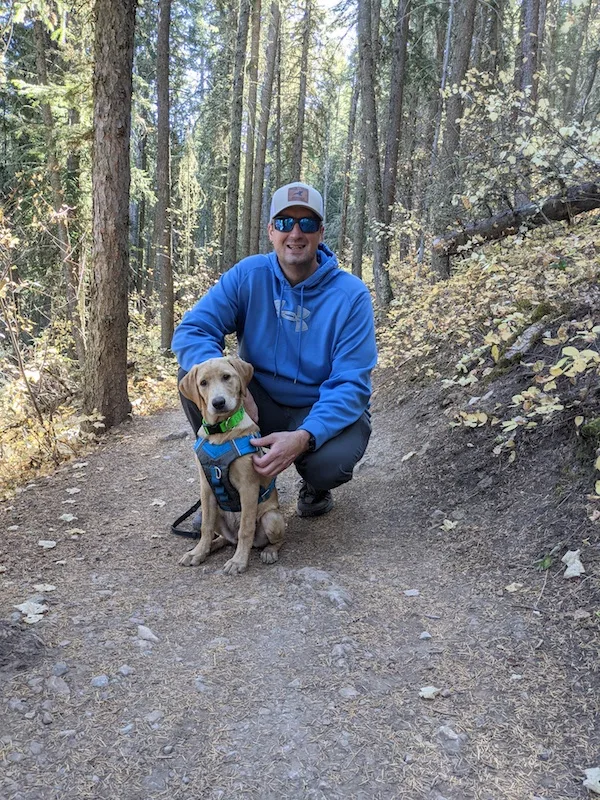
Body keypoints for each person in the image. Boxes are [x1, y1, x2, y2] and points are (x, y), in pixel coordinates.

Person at [172, 181, 377, 518]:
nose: (295, 233)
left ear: (321, 232)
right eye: (284, 223)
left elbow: (351, 384)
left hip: (316, 404)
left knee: (330, 464)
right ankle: (226, 487)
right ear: (271, 231)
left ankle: (314, 484)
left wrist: (305, 436)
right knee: (194, 376)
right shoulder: (248, 275)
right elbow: (193, 330)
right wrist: (241, 390)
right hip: (259, 400)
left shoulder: (351, 295)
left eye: (307, 223)